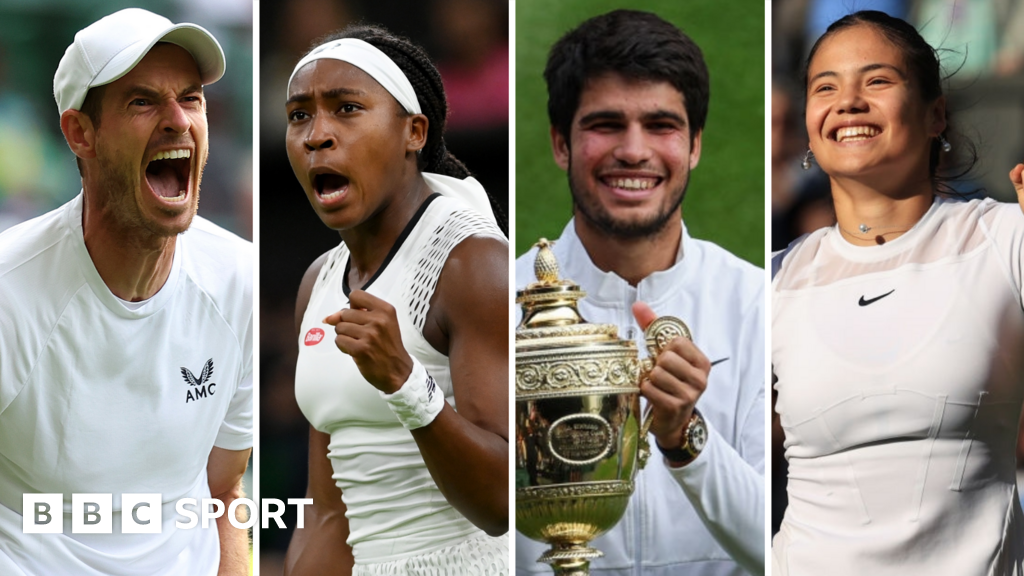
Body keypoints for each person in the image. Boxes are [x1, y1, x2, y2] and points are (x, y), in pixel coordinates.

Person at [0, 8, 252, 576]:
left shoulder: (240, 281)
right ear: (79, 134)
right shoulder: (9, 294)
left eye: (191, 98)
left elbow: (226, 492)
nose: (177, 121)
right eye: (142, 102)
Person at [772, 10, 1024, 575]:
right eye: (826, 87)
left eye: (878, 81)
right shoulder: (776, 280)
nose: (849, 102)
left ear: (937, 113)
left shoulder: (1005, 238)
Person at [515, 10, 765, 576]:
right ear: (561, 143)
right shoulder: (496, 300)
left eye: (660, 125)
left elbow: (774, 552)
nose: (633, 151)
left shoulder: (755, 303)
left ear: (695, 145)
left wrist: (685, 438)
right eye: (605, 124)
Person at [281, 25, 510, 575]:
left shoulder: (472, 263)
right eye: (299, 115)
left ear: (414, 131)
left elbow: (503, 503)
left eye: (346, 109)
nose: (317, 135)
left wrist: (406, 382)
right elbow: (328, 514)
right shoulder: (318, 281)